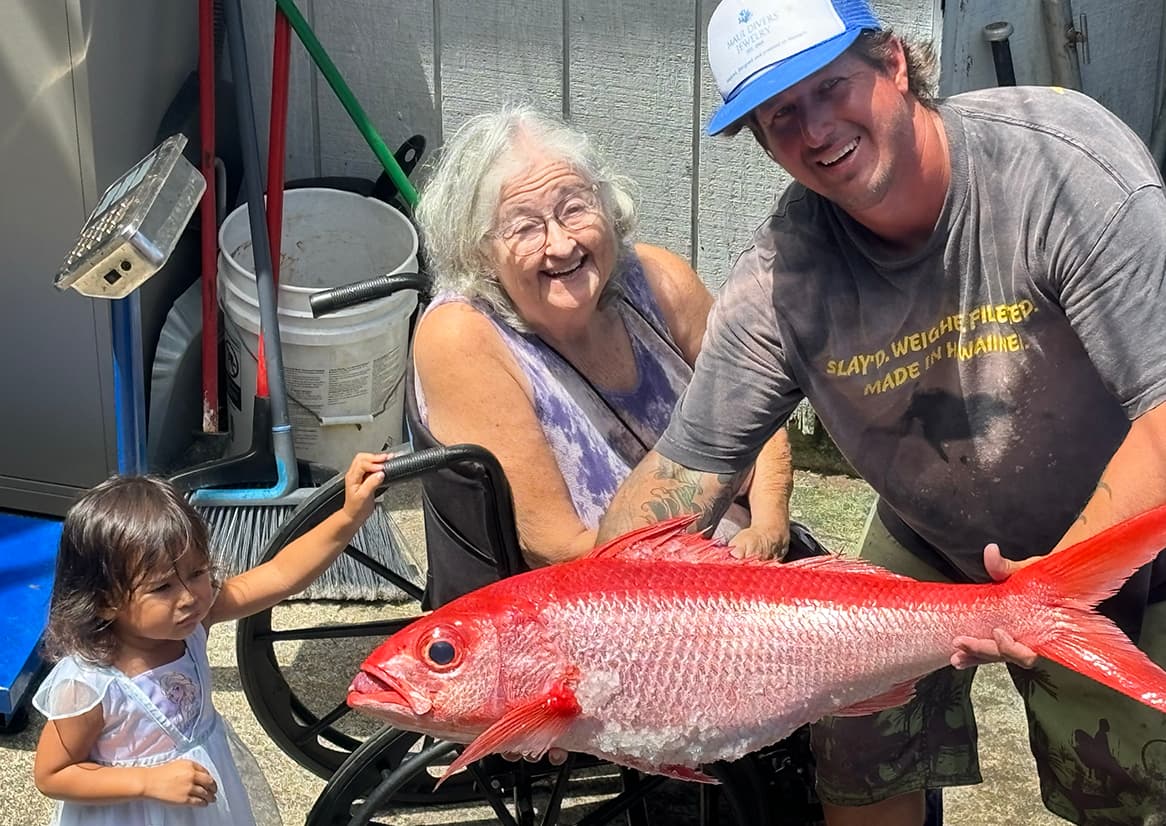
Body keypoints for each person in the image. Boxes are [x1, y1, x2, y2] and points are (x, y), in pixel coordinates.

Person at [596, 0, 1166, 824]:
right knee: (859, 757)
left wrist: (1038, 597)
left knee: (1126, 784)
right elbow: (685, 472)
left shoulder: (1059, 166)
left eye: (830, 87)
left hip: (1128, 529)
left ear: (895, 63)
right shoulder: (781, 280)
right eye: (781, 114)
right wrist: (567, 634)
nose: (816, 129)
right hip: (927, 528)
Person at [410, 105, 795, 571]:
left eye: (574, 208)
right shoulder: (462, 338)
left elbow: (760, 402)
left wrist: (770, 526)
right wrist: (717, 568)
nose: (562, 244)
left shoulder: (656, 278)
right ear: (479, 250)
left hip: (746, 557)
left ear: (607, 205)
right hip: (609, 599)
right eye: (525, 228)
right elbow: (555, 548)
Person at [32, 453, 387, 825]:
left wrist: (349, 516)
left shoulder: (197, 622)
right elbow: (53, 774)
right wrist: (146, 781)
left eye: (197, 572)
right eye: (162, 587)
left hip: (202, 805)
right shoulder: (90, 684)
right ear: (105, 601)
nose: (189, 596)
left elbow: (282, 574)